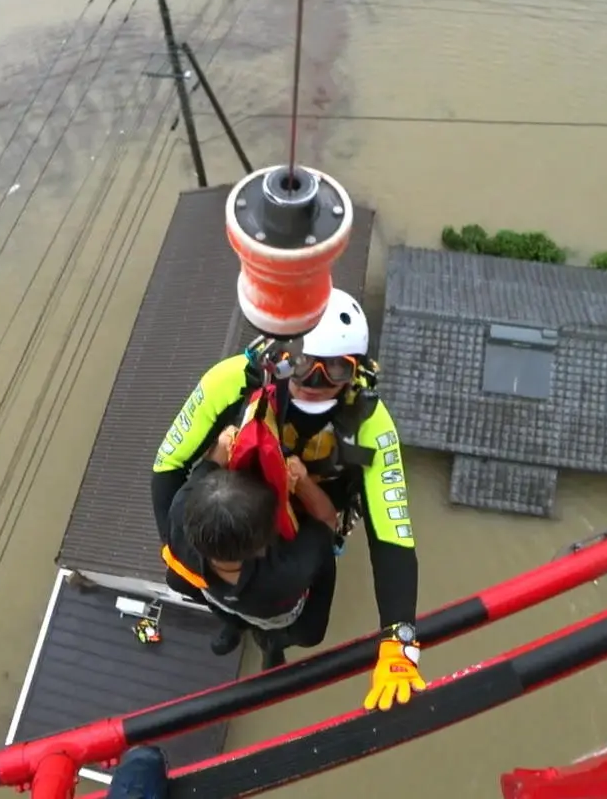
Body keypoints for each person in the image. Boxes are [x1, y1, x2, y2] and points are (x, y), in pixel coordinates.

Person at [151, 288, 425, 711]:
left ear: (356, 372)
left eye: (334, 368)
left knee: (298, 620)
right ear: (277, 356)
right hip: (236, 513)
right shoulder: (231, 381)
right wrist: (176, 542)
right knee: (219, 595)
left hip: (312, 522)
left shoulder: (371, 423)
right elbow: (169, 463)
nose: (314, 382)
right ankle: (235, 625)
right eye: (298, 363)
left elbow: (392, 531)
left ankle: (270, 641)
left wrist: (399, 637)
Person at [161, 427, 340, 670]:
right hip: (277, 613)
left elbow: (206, 468)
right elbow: (328, 523)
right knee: (307, 634)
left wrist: (222, 445)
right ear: (264, 541)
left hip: (216, 596)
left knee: (211, 599)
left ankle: (237, 626)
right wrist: (302, 482)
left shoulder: (180, 517)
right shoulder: (287, 571)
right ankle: (271, 645)